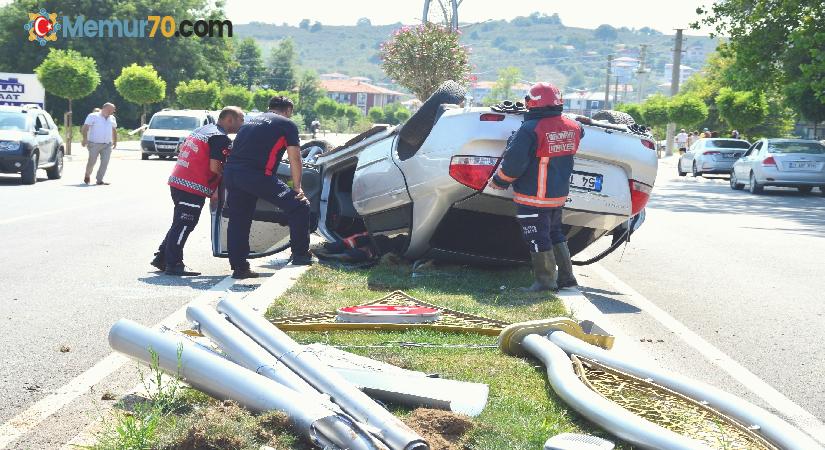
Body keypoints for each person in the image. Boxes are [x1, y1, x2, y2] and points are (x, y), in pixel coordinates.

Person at [487, 82, 583, 292]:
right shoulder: (574, 127)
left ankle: (545, 282)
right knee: (556, 233)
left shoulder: (530, 129)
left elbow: (514, 163)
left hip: (534, 197)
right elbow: (576, 132)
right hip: (557, 196)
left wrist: (500, 181)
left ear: (532, 102)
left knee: (536, 237)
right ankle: (567, 278)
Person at [223, 96, 312, 279]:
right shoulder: (286, 124)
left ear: (269, 108)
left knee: (239, 220)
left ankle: (239, 268)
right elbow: (295, 158)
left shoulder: (250, 121)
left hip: (232, 173)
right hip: (256, 175)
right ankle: (301, 255)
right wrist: (297, 188)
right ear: (288, 110)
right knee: (299, 205)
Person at [150, 107, 245, 276]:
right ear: (230, 120)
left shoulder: (204, 130)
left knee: (179, 222)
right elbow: (215, 167)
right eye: (241, 120)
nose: (243, 124)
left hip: (179, 181)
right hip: (192, 186)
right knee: (185, 223)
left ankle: (162, 257)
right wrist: (229, 176)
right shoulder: (219, 137)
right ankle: (174, 263)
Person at [81, 103, 117, 185]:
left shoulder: (112, 118)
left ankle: (99, 180)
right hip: (94, 144)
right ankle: (87, 174)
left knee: (105, 162)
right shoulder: (93, 116)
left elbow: (114, 129)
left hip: (107, 144)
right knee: (92, 161)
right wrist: (84, 139)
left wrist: (115, 141)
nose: (114, 111)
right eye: (113, 109)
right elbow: (85, 128)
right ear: (106, 108)